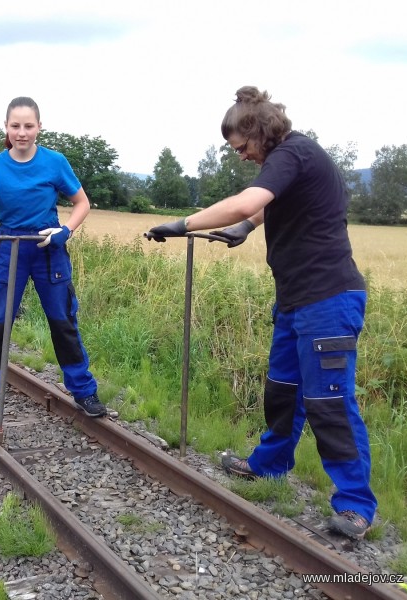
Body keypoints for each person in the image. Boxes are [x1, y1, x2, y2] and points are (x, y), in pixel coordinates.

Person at [146, 86, 376, 540]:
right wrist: (246, 228)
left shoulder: (294, 152)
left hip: (328, 300)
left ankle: (356, 505)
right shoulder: (292, 157)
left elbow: (253, 198)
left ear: (259, 132)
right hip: (295, 299)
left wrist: (184, 223)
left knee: (329, 402)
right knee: (283, 391)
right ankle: (268, 465)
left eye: (241, 147)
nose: (241, 156)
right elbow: (269, 206)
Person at [0, 96, 106, 422]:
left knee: (63, 322)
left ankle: (84, 391)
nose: (22, 132)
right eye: (15, 126)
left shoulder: (55, 162)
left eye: (28, 126)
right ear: (6, 127)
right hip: (9, 248)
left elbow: (82, 203)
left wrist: (67, 230)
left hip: (48, 248)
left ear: (39, 127)